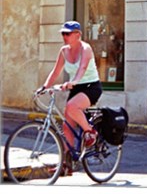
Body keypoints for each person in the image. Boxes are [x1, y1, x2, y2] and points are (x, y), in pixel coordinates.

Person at [38, 21, 102, 166]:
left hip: (91, 87)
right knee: (67, 125)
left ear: (77, 34)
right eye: (63, 33)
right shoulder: (64, 51)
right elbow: (55, 72)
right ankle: (67, 164)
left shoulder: (86, 48)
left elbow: (83, 68)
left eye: (67, 33)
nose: (64, 36)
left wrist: (74, 81)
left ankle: (90, 132)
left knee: (72, 106)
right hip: (76, 88)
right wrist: (44, 87)